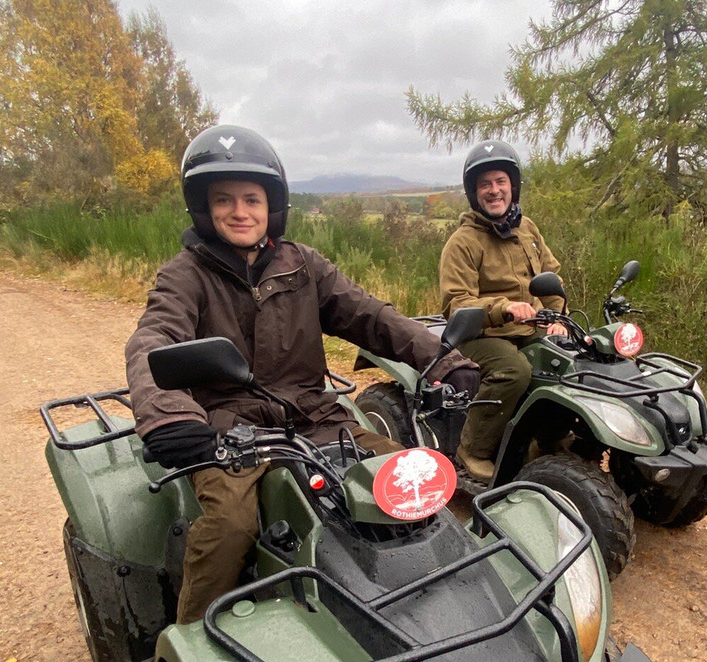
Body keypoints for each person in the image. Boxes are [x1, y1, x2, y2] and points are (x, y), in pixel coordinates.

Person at [126, 124, 479, 624]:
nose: (240, 211)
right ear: (203, 208)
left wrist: (442, 359)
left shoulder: (302, 265)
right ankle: (192, 647)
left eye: (252, 198)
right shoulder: (185, 275)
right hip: (231, 430)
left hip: (315, 417)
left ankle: (436, 617)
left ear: (273, 204)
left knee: (410, 481)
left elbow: (370, 316)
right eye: (224, 199)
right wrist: (170, 418)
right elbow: (153, 339)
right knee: (230, 525)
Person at [439, 139, 567, 483]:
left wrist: (557, 319)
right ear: (474, 192)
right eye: (485, 184)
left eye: (500, 182)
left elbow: (550, 276)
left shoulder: (528, 229)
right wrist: (504, 308)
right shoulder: (463, 241)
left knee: (572, 365)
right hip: (480, 334)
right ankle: (474, 449)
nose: (494, 191)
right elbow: (456, 304)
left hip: (532, 329)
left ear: (513, 185)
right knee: (515, 371)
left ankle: (550, 440)